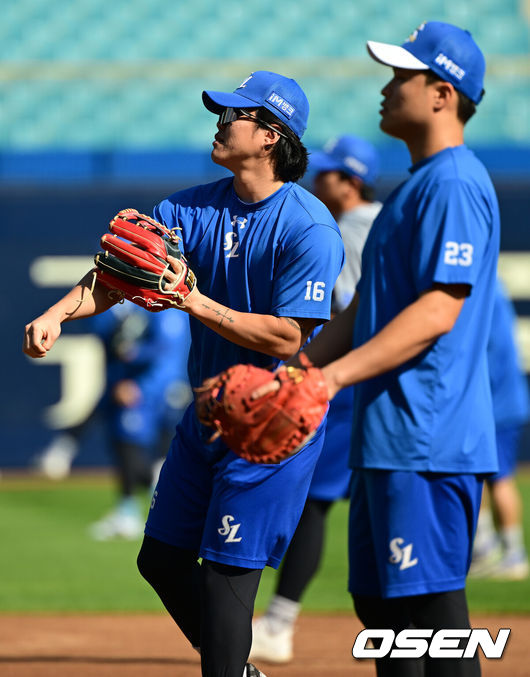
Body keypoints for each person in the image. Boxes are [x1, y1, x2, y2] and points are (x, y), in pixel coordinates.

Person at [23, 70, 344, 677]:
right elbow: (124, 273)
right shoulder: (190, 206)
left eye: (234, 115)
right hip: (207, 420)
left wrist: (194, 301)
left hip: (270, 427)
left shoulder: (308, 226)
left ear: (270, 136)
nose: (220, 124)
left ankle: (231, 667)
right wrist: (58, 313)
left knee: (225, 583)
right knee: (162, 561)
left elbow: (286, 334)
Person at [255, 22, 499, 677]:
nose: (387, 89)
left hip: (428, 434)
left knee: (431, 617)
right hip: (391, 434)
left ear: (443, 93)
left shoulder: (452, 183)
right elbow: (363, 309)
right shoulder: (414, 189)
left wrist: (329, 380)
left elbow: (437, 311)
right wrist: (290, 374)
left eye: (402, 77)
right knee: (383, 607)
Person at [250, 134, 382, 664]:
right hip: (362, 383)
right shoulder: (377, 221)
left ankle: (280, 622)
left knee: (311, 504)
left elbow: (344, 309)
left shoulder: (351, 229)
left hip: (340, 384)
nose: (316, 179)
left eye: (327, 173)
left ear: (349, 181)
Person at [34, 304, 192, 541]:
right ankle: (141, 503)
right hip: (130, 381)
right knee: (125, 444)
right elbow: (109, 336)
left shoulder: (167, 307)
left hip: (154, 387)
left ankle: (138, 508)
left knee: (140, 445)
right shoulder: (124, 305)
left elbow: (165, 350)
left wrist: (140, 380)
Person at [469, 278, 530, 579]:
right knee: (482, 475)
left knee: (499, 478)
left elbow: (484, 354)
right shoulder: (494, 285)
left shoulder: (481, 289)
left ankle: (514, 554)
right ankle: (486, 549)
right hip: (501, 403)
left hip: (496, 406)